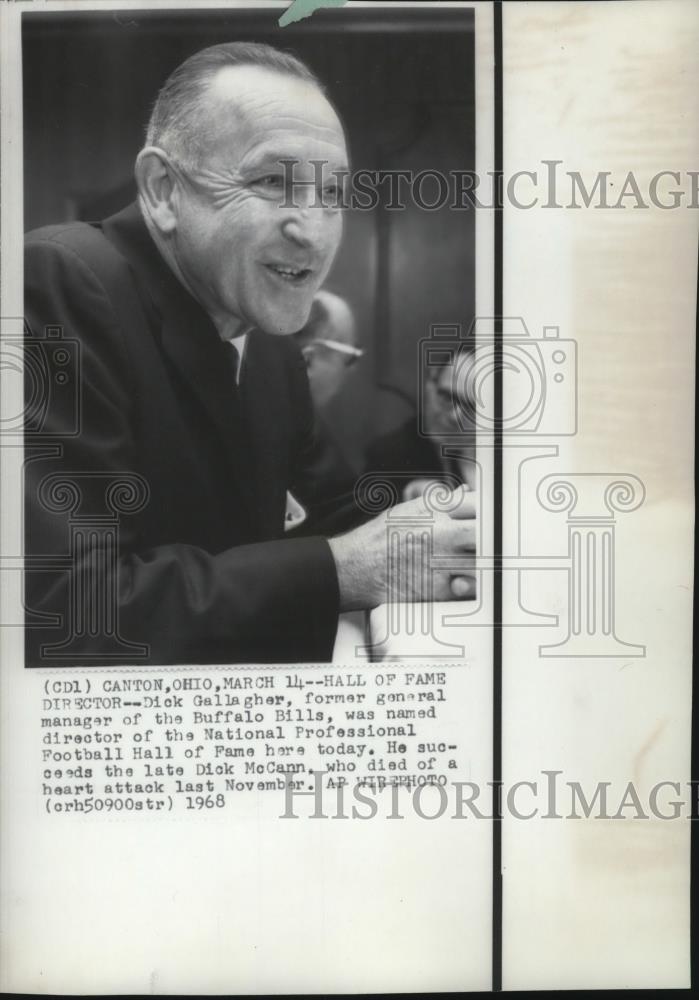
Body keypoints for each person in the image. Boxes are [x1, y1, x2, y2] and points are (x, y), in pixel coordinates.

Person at [24, 41, 476, 667]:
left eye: (333, 193)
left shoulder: (268, 343)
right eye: (271, 181)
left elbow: (331, 511)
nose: (314, 231)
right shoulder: (55, 279)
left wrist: (424, 512)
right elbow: (66, 609)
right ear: (162, 190)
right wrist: (345, 569)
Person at [365, 346, 478, 501]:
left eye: (472, 407)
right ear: (430, 386)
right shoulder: (388, 453)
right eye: (447, 398)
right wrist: (410, 493)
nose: (455, 416)